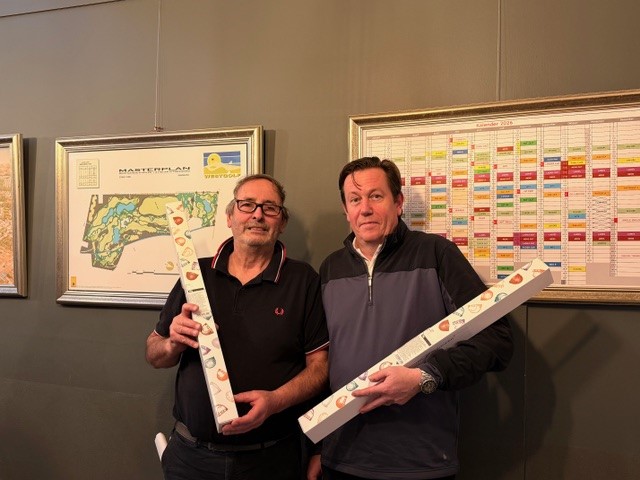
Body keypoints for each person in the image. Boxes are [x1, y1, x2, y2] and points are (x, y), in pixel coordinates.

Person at [309, 157, 513, 480]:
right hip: (342, 458)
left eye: (376, 196)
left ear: (398, 202)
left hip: (420, 462)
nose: (365, 209)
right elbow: (322, 360)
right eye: (355, 199)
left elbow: (497, 339)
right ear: (346, 210)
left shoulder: (436, 255)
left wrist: (424, 377)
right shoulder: (330, 269)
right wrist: (319, 448)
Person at [146, 174, 329, 480]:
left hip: (270, 459)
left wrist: (275, 402)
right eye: (247, 205)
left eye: (270, 207)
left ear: (282, 222)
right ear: (230, 216)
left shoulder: (303, 281)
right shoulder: (195, 275)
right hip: (190, 458)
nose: (257, 214)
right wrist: (171, 343)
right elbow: (154, 354)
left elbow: (320, 368)